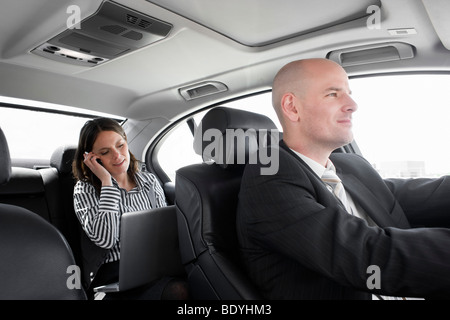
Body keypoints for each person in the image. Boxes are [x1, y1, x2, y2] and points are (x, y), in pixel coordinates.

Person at [236, 58, 450, 300]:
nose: (352, 104)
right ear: (292, 107)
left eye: (348, 93)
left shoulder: (351, 166)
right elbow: (364, 254)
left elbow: (426, 194)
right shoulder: (267, 178)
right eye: (333, 94)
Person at [72, 117, 188, 300]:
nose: (117, 155)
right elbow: (106, 239)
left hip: (151, 267)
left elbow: (164, 232)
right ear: (92, 158)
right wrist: (107, 183)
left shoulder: (148, 181)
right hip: (113, 278)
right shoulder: (84, 189)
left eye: (120, 145)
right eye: (105, 152)